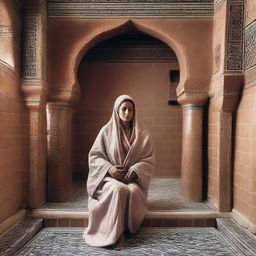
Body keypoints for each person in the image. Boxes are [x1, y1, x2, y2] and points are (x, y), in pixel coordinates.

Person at [83, 94, 155, 250]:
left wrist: (136, 170)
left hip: (132, 181)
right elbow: (95, 157)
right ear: (116, 110)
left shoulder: (142, 134)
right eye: (124, 109)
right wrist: (110, 169)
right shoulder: (106, 132)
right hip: (108, 179)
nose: (127, 113)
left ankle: (121, 230)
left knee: (130, 191)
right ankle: (119, 235)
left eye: (130, 109)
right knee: (118, 188)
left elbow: (148, 160)